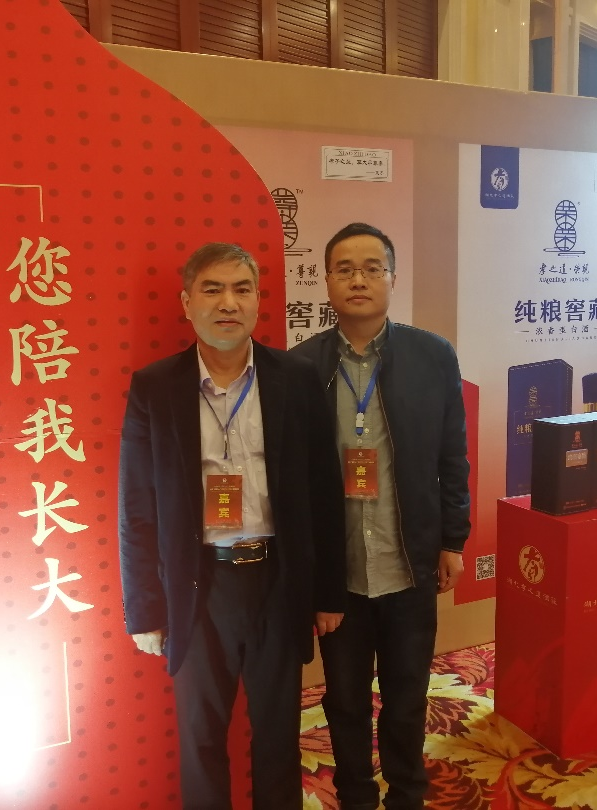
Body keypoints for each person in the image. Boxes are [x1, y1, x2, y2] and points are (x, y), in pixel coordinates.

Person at [118, 242, 347, 810]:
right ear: (187, 303)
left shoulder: (295, 378)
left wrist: (327, 593)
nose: (228, 303)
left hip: (276, 581)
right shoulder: (155, 387)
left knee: (278, 735)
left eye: (242, 289)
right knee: (200, 738)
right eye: (213, 289)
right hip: (199, 586)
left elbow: (324, 493)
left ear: (258, 300)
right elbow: (137, 507)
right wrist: (145, 608)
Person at [292, 223, 471, 810]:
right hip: (339, 577)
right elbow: (293, 482)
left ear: (393, 278)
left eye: (373, 268)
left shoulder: (432, 356)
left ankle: (407, 795)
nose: (359, 280)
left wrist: (452, 539)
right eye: (345, 269)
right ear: (326, 281)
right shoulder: (300, 366)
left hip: (408, 563)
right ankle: (356, 796)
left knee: (407, 695)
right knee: (343, 699)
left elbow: (452, 456)